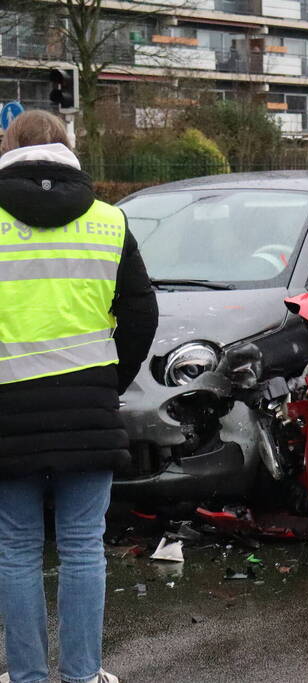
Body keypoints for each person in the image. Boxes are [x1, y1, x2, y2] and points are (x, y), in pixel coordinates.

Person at [0, 110, 158, 683]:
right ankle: (83, 675)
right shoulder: (109, 222)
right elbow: (142, 314)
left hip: (7, 413)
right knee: (82, 548)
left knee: (16, 550)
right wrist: (106, 384)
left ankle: (26, 677)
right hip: (87, 408)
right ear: (68, 149)